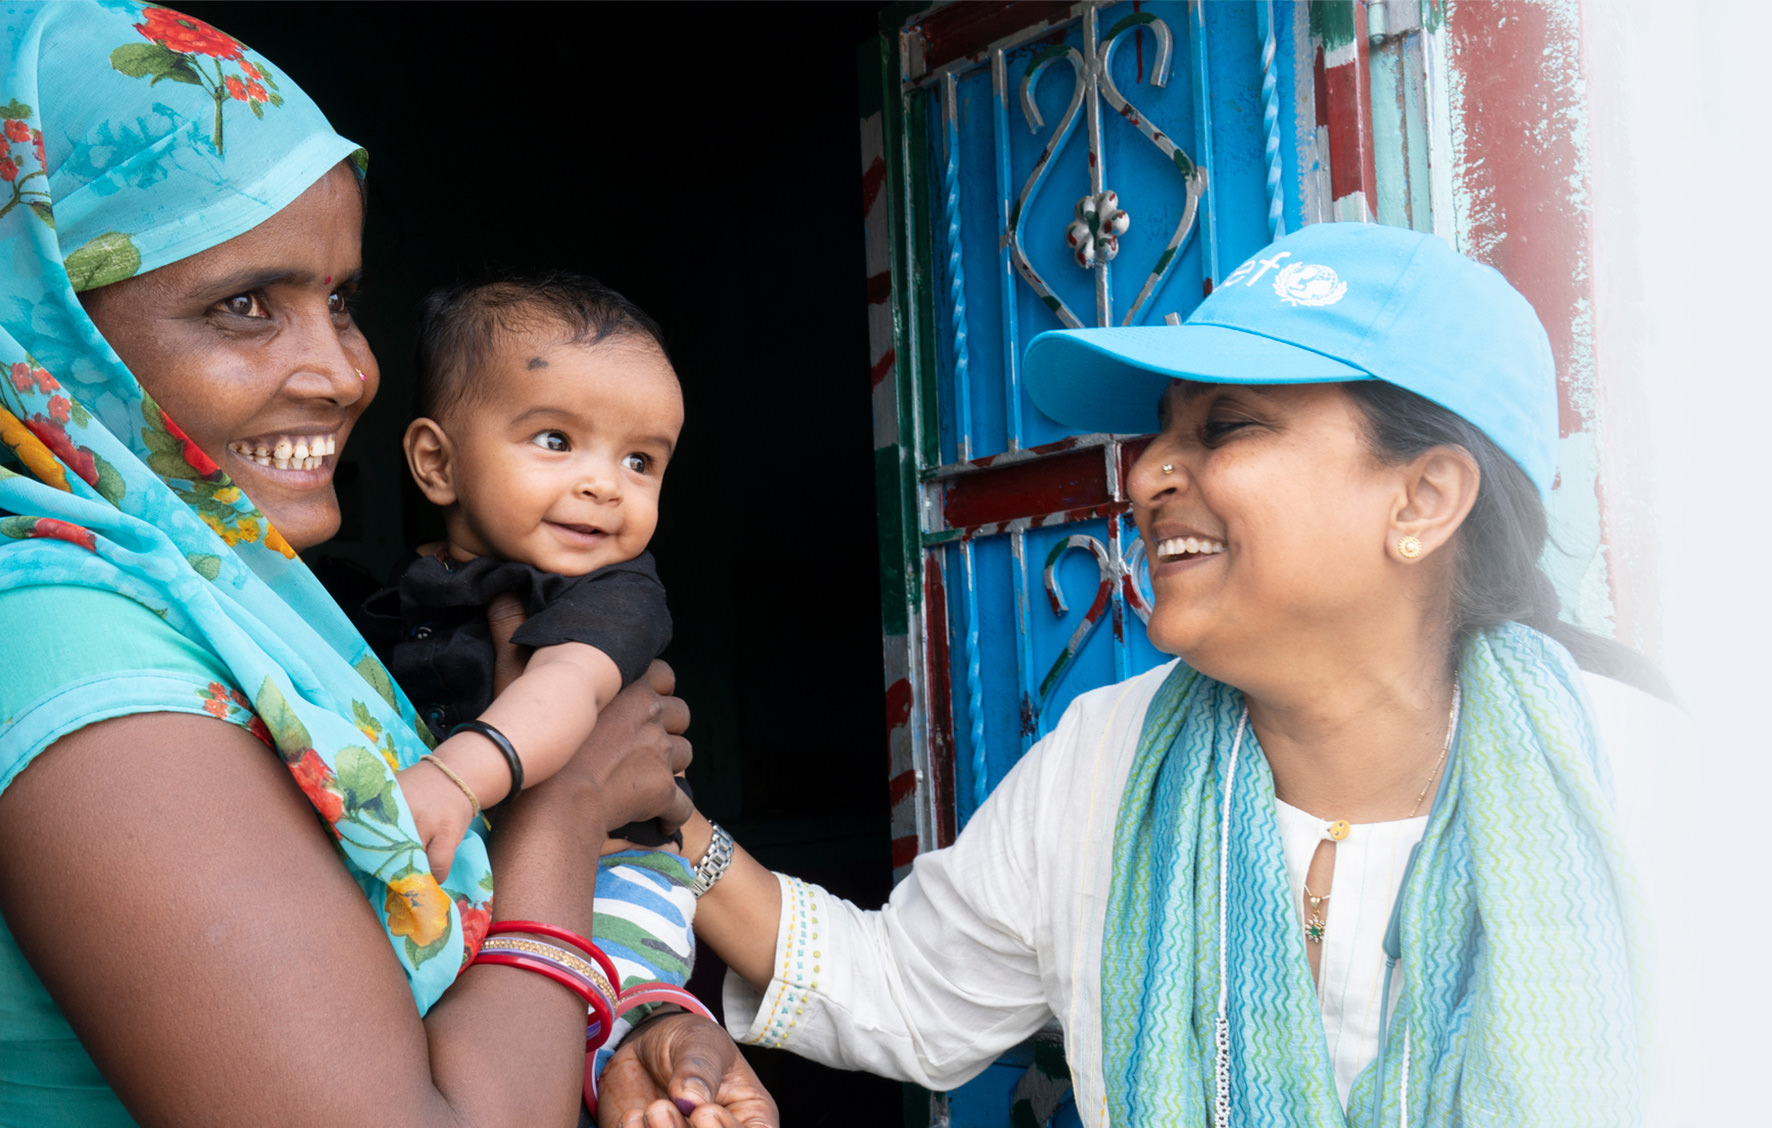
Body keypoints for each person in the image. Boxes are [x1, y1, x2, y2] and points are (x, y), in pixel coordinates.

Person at [660, 222, 1682, 1127]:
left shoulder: (1656, 794)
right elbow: (899, 991)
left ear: (1421, 499)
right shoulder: (1101, 763)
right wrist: (671, 827)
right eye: (1158, 431)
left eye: (1224, 427)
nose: (1145, 474)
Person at [0, 4, 771, 1126]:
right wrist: (560, 805)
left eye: (342, 301)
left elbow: (701, 875)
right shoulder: (75, 650)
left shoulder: (229, 604)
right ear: (48, 323)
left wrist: (643, 1018)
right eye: (245, 305)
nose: (345, 372)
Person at [362, 271, 683, 880]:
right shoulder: (421, 577)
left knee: (616, 973)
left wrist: (454, 775)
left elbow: (567, 683)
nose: (605, 484)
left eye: (639, 460)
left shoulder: (617, 589)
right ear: (437, 464)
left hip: (612, 876)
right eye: (556, 439)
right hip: (468, 857)